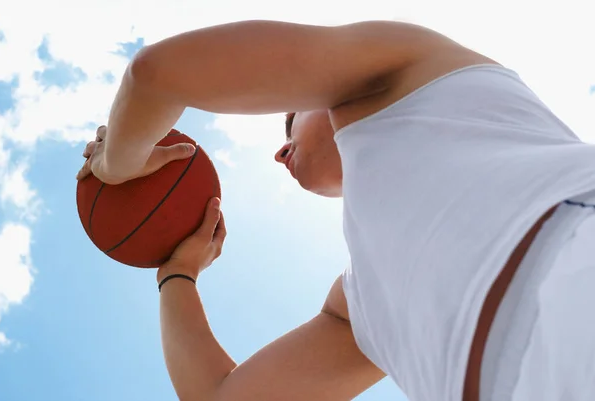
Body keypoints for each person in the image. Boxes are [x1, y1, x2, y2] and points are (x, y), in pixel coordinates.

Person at [76, 20, 595, 401]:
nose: (281, 152)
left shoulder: (422, 67)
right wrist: (178, 275)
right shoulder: (360, 303)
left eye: (290, 119)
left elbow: (160, 74)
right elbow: (220, 397)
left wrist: (119, 162)